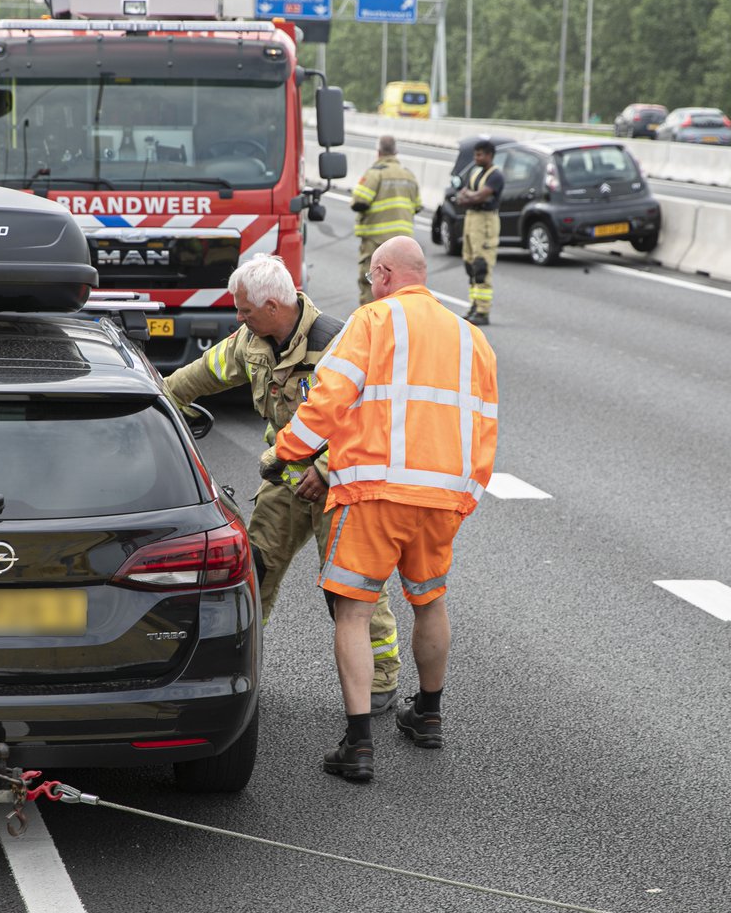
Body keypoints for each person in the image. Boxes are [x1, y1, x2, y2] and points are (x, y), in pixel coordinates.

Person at [269, 236, 498, 782]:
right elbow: (485, 423)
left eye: (373, 277)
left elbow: (328, 397)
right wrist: (467, 492)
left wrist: (287, 450)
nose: (371, 285)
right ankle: (429, 714)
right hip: (442, 497)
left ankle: (359, 744)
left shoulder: (372, 321)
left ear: (385, 273)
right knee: (429, 601)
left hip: (374, 493)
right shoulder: (472, 338)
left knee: (352, 611)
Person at [164, 255, 403, 717]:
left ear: (273, 306)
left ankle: (380, 679)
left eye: (245, 310)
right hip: (286, 481)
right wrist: (157, 398)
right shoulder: (251, 341)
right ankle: (235, 661)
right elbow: (200, 375)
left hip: (340, 484)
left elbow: (373, 417)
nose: (239, 318)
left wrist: (327, 468)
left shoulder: (338, 343)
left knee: (351, 588)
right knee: (253, 572)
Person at [350, 135, 420, 306]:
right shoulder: (408, 175)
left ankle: (373, 319)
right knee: (401, 286)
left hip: (377, 241)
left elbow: (359, 202)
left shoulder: (375, 173)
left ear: (378, 152)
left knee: (372, 282)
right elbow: (417, 206)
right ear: (396, 152)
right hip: (404, 243)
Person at [455, 139, 503, 326]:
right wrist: (471, 197)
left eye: (480, 155)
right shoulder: (476, 173)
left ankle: (483, 310)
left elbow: (478, 196)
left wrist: (471, 197)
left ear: (490, 155)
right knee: (470, 265)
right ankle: (474, 305)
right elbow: (463, 195)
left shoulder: (495, 176)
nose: (476, 158)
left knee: (482, 265)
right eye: (475, 154)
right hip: (471, 220)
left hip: (485, 222)